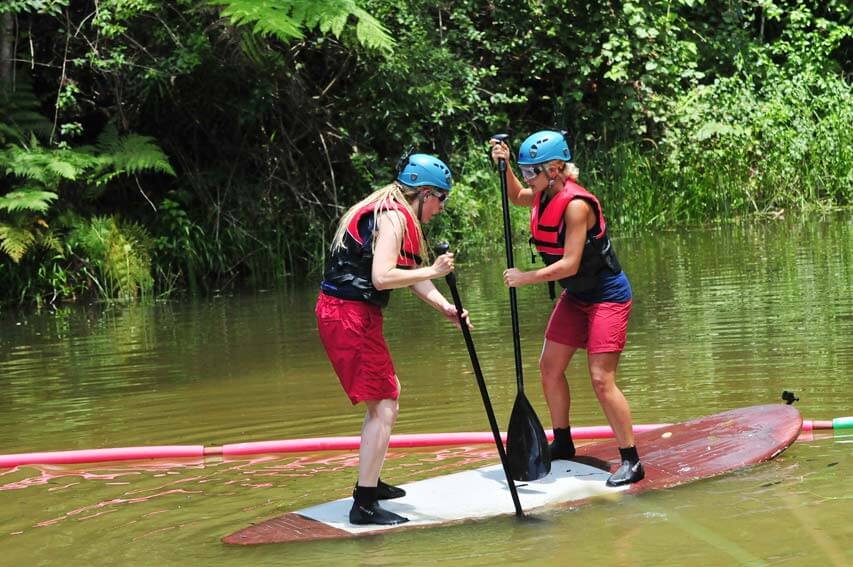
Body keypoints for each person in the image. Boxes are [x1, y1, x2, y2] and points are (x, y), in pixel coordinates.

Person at [316, 152, 471, 525]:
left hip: (348, 313)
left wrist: (444, 307)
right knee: (384, 403)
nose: (441, 208)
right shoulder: (394, 217)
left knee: (388, 393)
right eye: (442, 199)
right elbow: (383, 276)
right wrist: (433, 268)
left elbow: (409, 273)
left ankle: (371, 481)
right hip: (348, 316)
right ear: (425, 193)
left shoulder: (392, 211)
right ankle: (364, 503)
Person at [490, 130, 644, 486]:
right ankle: (562, 441)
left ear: (556, 169)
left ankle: (631, 460)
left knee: (601, 379)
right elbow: (515, 195)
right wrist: (506, 164)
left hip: (607, 296)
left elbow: (570, 264)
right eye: (527, 172)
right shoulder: (543, 193)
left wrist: (525, 277)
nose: (529, 180)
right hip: (577, 297)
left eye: (533, 172)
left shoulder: (576, 206)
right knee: (548, 368)